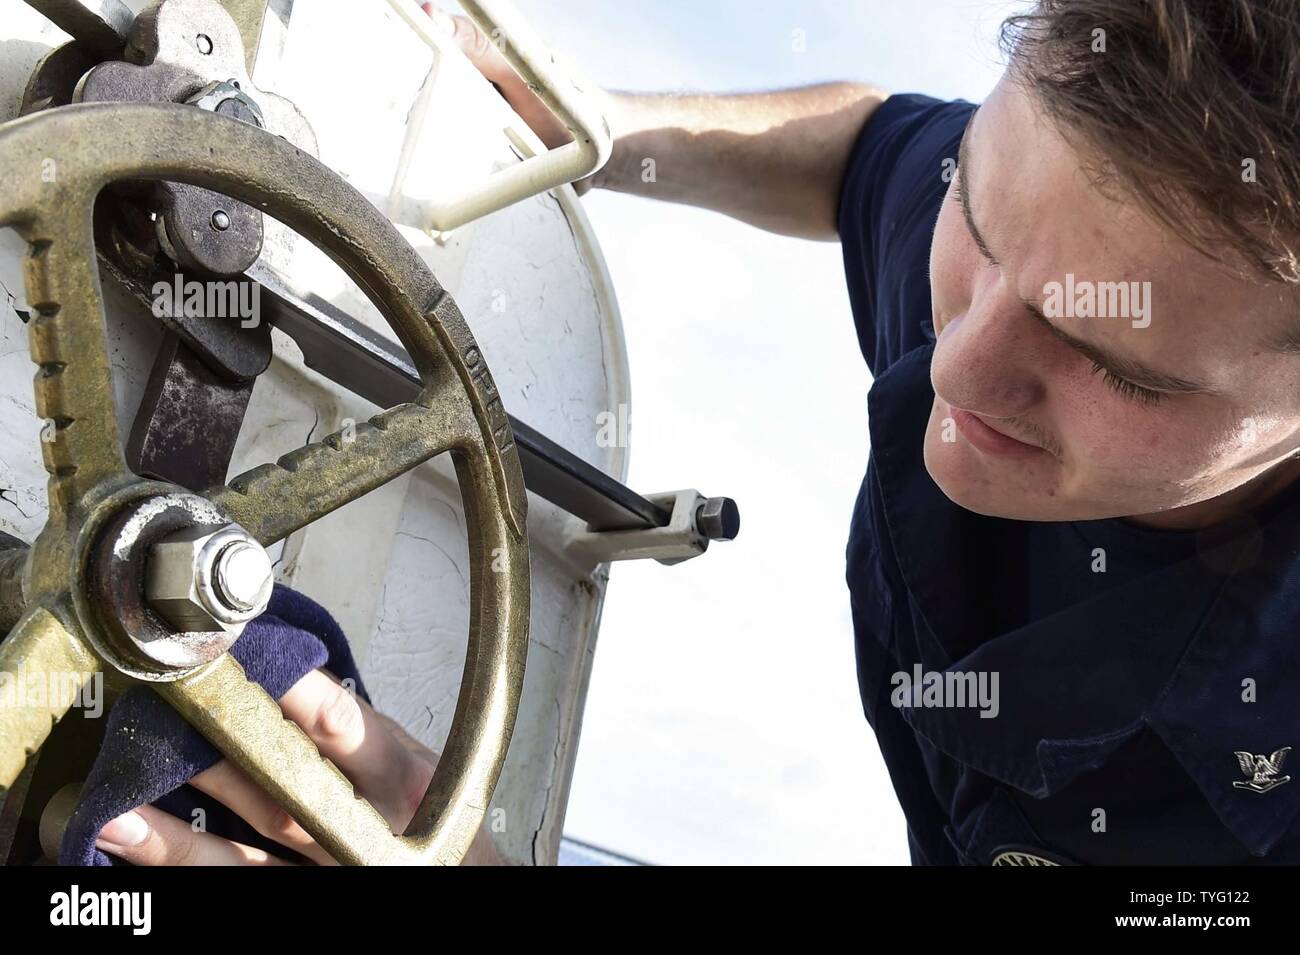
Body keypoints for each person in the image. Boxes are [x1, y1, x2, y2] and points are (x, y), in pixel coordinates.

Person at [110, 0, 1300, 865]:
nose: (959, 369)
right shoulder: (1057, 243)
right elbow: (867, 152)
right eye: (977, 220)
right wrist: (596, 128)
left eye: (1111, 365)